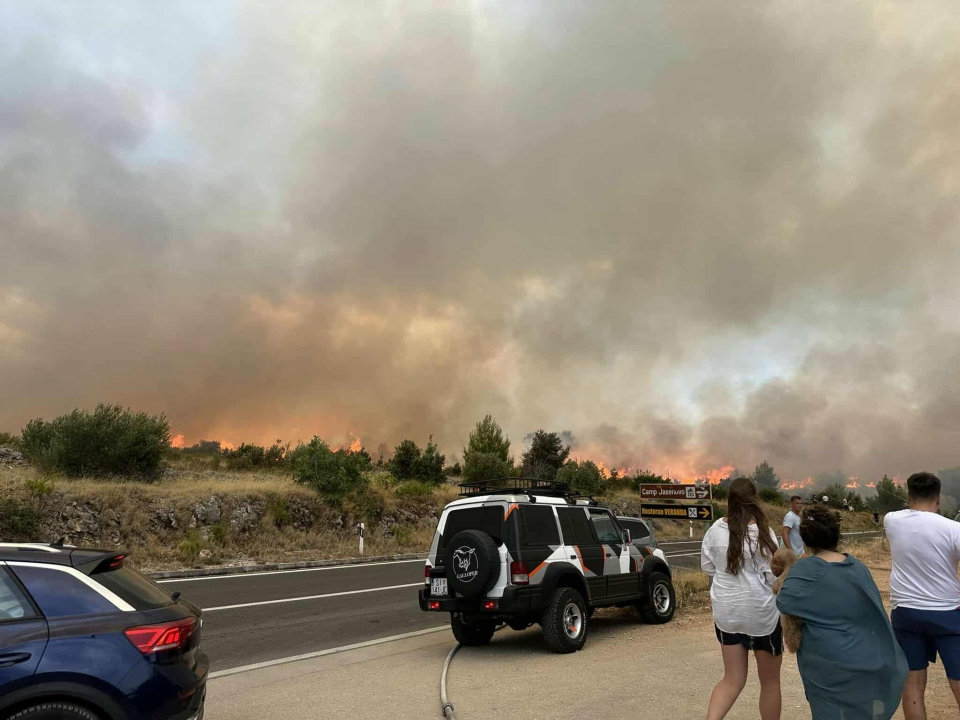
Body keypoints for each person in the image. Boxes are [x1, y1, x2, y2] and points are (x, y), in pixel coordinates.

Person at [777, 505, 907, 720]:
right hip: (868, 656)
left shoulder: (805, 569)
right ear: (836, 536)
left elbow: (785, 602)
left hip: (828, 665)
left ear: (806, 539)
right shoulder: (857, 566)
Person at [701, 477, 782, 720]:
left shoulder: (715, 530)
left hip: (727, 613)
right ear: (754, 499)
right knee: (769, 683)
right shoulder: (764, 534)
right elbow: (772, 578)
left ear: (729, 501)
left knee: (732, 679)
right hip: (761, 615)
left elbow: (708, 567)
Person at [885, 472, 960, 719]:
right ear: (938, 498)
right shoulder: (954, 529)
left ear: (908, 496)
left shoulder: (891, 521)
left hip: (906, 613)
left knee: (913, 684)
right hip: (948, 613)